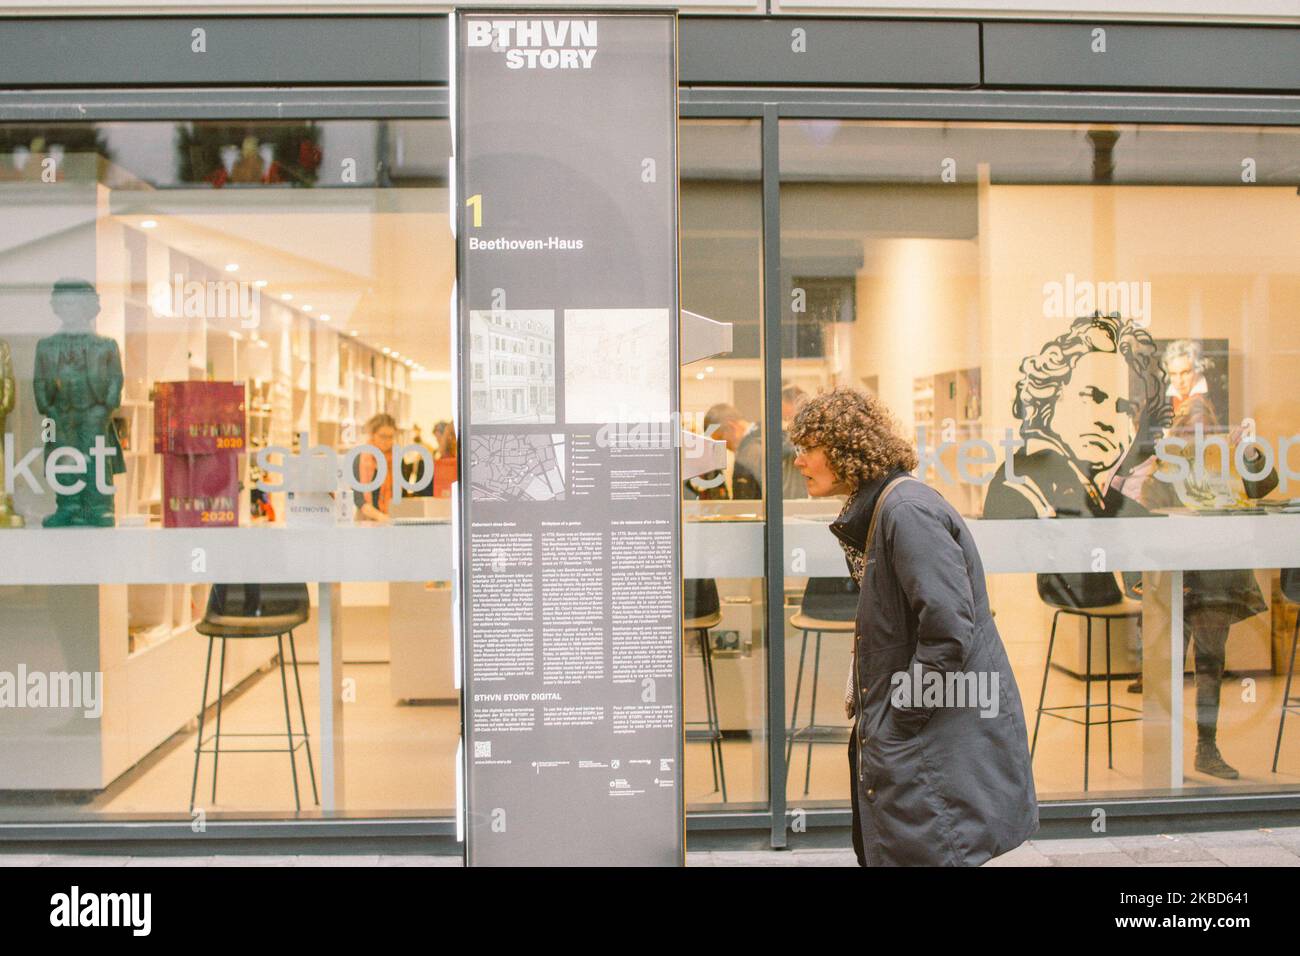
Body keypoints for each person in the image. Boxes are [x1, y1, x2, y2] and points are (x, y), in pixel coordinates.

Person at [791, 387, 1038, 866]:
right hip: (924, 730)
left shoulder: (905, 510)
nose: (798, 460)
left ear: (844, 449)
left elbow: (947, 628)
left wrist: (898, 718)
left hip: (928, 731)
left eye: (808, 448)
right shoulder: (888, 506)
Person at [1131, 339, 1277, 778]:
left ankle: (1205, 750)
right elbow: (1144, 514)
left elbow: (1262, 486)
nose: (1196, 432)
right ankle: (1165, 757)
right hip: (1180, 576)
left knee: (1210, 664)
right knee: (1167, 666)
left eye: (1203, 425)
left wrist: (1247, 449)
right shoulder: (1165, 468)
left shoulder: (1224, 456)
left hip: (1218, 575)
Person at [983, 312, 1166, 608]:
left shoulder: (1117, 505)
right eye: (1092, 397)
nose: (1107, 420)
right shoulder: (1019, 485)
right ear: (1052, 398)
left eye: (1125, 408)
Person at [703, 403, 762, 500]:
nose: (724, 447)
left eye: (721, 438)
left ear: (731, 427)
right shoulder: (748, 447)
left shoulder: (755, 448)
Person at [353, 412, 398, 522]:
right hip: (366, 521)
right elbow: (359, 499)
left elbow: (401, 495)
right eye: (382, 436)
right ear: (373, 434)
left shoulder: (396, 459)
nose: (387, 441)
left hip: (392, 520)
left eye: (390, 437)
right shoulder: (360, 458)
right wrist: (380, 517)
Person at [780, 384, 809, 499]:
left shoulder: (804, 428)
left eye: (781, 404)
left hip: (799, 490)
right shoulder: (794, 428)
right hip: (792, 489)